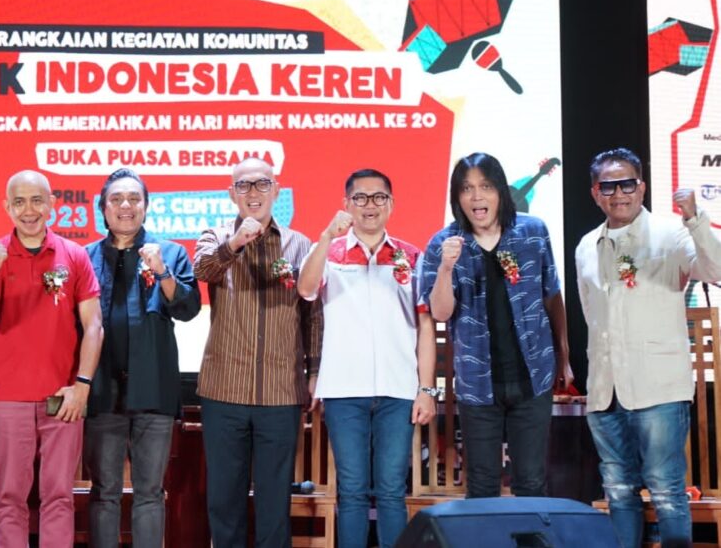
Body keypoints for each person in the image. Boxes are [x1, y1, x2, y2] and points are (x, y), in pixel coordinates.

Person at [576, 148, 721, 548]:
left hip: (659, 388)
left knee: (666, 490)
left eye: (627, 184)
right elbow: (591, 315)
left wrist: (695, 218)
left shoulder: (671, 233)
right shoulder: (586, 245)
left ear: (641, 187)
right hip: (606, 391)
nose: (619, 193)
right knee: (618, 489)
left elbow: (716, 269)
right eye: (608, 186)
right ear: (595, 193)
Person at [297, 169, 436, 548]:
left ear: (391, 204)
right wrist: (326, 237)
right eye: (360, 197)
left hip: (398, 389)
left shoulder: (410, 255)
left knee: (391, 489)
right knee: (353, 490)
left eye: (378, 197)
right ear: (347, 204)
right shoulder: (330, 253)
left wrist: (426, 389)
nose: (369, 205)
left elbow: (425, 325)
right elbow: (306, 289)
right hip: (344, 390)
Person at [419, 152, 571, 498]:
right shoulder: (443, 244)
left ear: (501, 190)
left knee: (531, 482)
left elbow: (552, 296)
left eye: (485, 186)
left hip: (533, 376)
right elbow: (440, 313)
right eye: (466, 189)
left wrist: (564, 356)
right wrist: (445, 268)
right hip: (477, 383)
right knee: (482, 485)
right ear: (456, 197)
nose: (477, 197)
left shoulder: (532, 232)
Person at [193, 157, 322, 548]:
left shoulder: (299, 244)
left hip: (280, 392)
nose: (253, 193)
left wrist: (314, 372)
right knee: (224, 499)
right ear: (231, 193)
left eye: (262, 184)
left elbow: (313, 315)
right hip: (224, 390)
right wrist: (235, 243)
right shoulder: (215, 235)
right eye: (244, 185)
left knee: (274, 501)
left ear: (276, 191)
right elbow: (203, 270)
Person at [0, 170, 103, 548]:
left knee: (59, 495)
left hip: (63, 395)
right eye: (19, 202)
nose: (28, 210)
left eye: (36, 201)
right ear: (7, 207)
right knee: (9, 496)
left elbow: (94, 325)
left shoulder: (74, 254)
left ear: (51, 204)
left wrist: (82, 385)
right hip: (7, 394)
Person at [83, 168, 201, 548]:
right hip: (102, 393)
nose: (126, 206)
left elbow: (188, 309)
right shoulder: (85, 257)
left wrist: (162, 272)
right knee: (104, 492)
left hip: (154, 391)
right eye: (116, 199)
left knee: (150, 492)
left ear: (146, 206)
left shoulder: (170, 253)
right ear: (103, 208)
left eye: (134, 198)